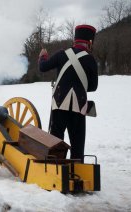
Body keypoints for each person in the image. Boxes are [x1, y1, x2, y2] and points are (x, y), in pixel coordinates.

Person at [38, 24, 98, 162]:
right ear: (89, 42)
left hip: (59, 103)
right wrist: (79, 86)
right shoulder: (90, 60)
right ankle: (77, 174)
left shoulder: (61, 55)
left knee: (55, 140)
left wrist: (43, 56)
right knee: (77, 142)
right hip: (79, 106)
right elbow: (93, 87)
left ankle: (55, 172)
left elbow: (43, 67)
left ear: (74, 40)